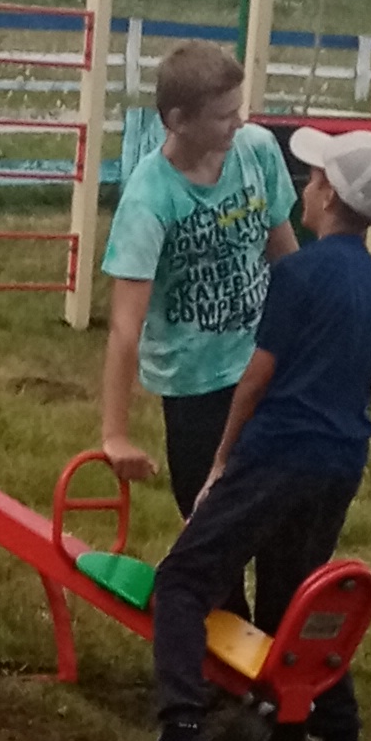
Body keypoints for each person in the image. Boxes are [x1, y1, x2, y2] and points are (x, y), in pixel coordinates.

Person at [109, 122, 371, 741]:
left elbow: (257, 378)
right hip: (341, 459)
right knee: (294, 596)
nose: (307, 186)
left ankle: (180, 732)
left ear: (329, 195)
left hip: (278, 452)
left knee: (183, 580)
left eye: (315, 178)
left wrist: (222, 459)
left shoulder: (297, 274)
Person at [95, 41, 298, 516]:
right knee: (207, 515)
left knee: (276, 505)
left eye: (238, 110)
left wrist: (311, 335)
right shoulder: (150, 197)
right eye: (224, 116)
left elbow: (286, 256)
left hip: (263, 358)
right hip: (194, 382)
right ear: (179, 120)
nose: (238, 123)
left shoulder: (257, 151)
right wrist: (115, 434)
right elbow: (125, 325)